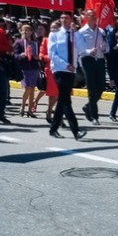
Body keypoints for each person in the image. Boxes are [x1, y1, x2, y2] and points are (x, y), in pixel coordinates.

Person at [47, 11, 86, 140]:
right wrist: (65, 65)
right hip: (59, 70)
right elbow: (52, 54)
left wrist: (77, 32)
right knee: (66, 101)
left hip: (71, 71)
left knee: (63, 100)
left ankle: (53, 129)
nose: (64, 20)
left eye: (67, 18)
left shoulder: (74, 34)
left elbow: (81, 47)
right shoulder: (54, 34)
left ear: (71, 20)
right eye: (62, 17)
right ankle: (76, 131)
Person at [78, 9, 108, 124]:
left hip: (99, 60)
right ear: (86, 17)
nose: (93, 17)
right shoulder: (82, 32)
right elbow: (80, 49)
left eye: (94, 15)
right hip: (87, 60)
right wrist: (90, 51)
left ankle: (88, 106)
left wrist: (104, 47)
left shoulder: (101, 31)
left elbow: (106, 48)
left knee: (101, 87)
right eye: (90, 15)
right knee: (91, 88)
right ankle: (94, 116)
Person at [13, 23, 41, 118]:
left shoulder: (35, 42)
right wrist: (20, 55)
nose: (25, 32)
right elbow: (14, 55)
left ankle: (30, 110)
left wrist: (38, 57)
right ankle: (22, 106)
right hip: (25, 67)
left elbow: (39, 54)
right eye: (23, 30)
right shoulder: (19, 42)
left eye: (27, 30)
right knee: (27, 88)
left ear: (31, 32)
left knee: (32, 88)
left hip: (34, 67)